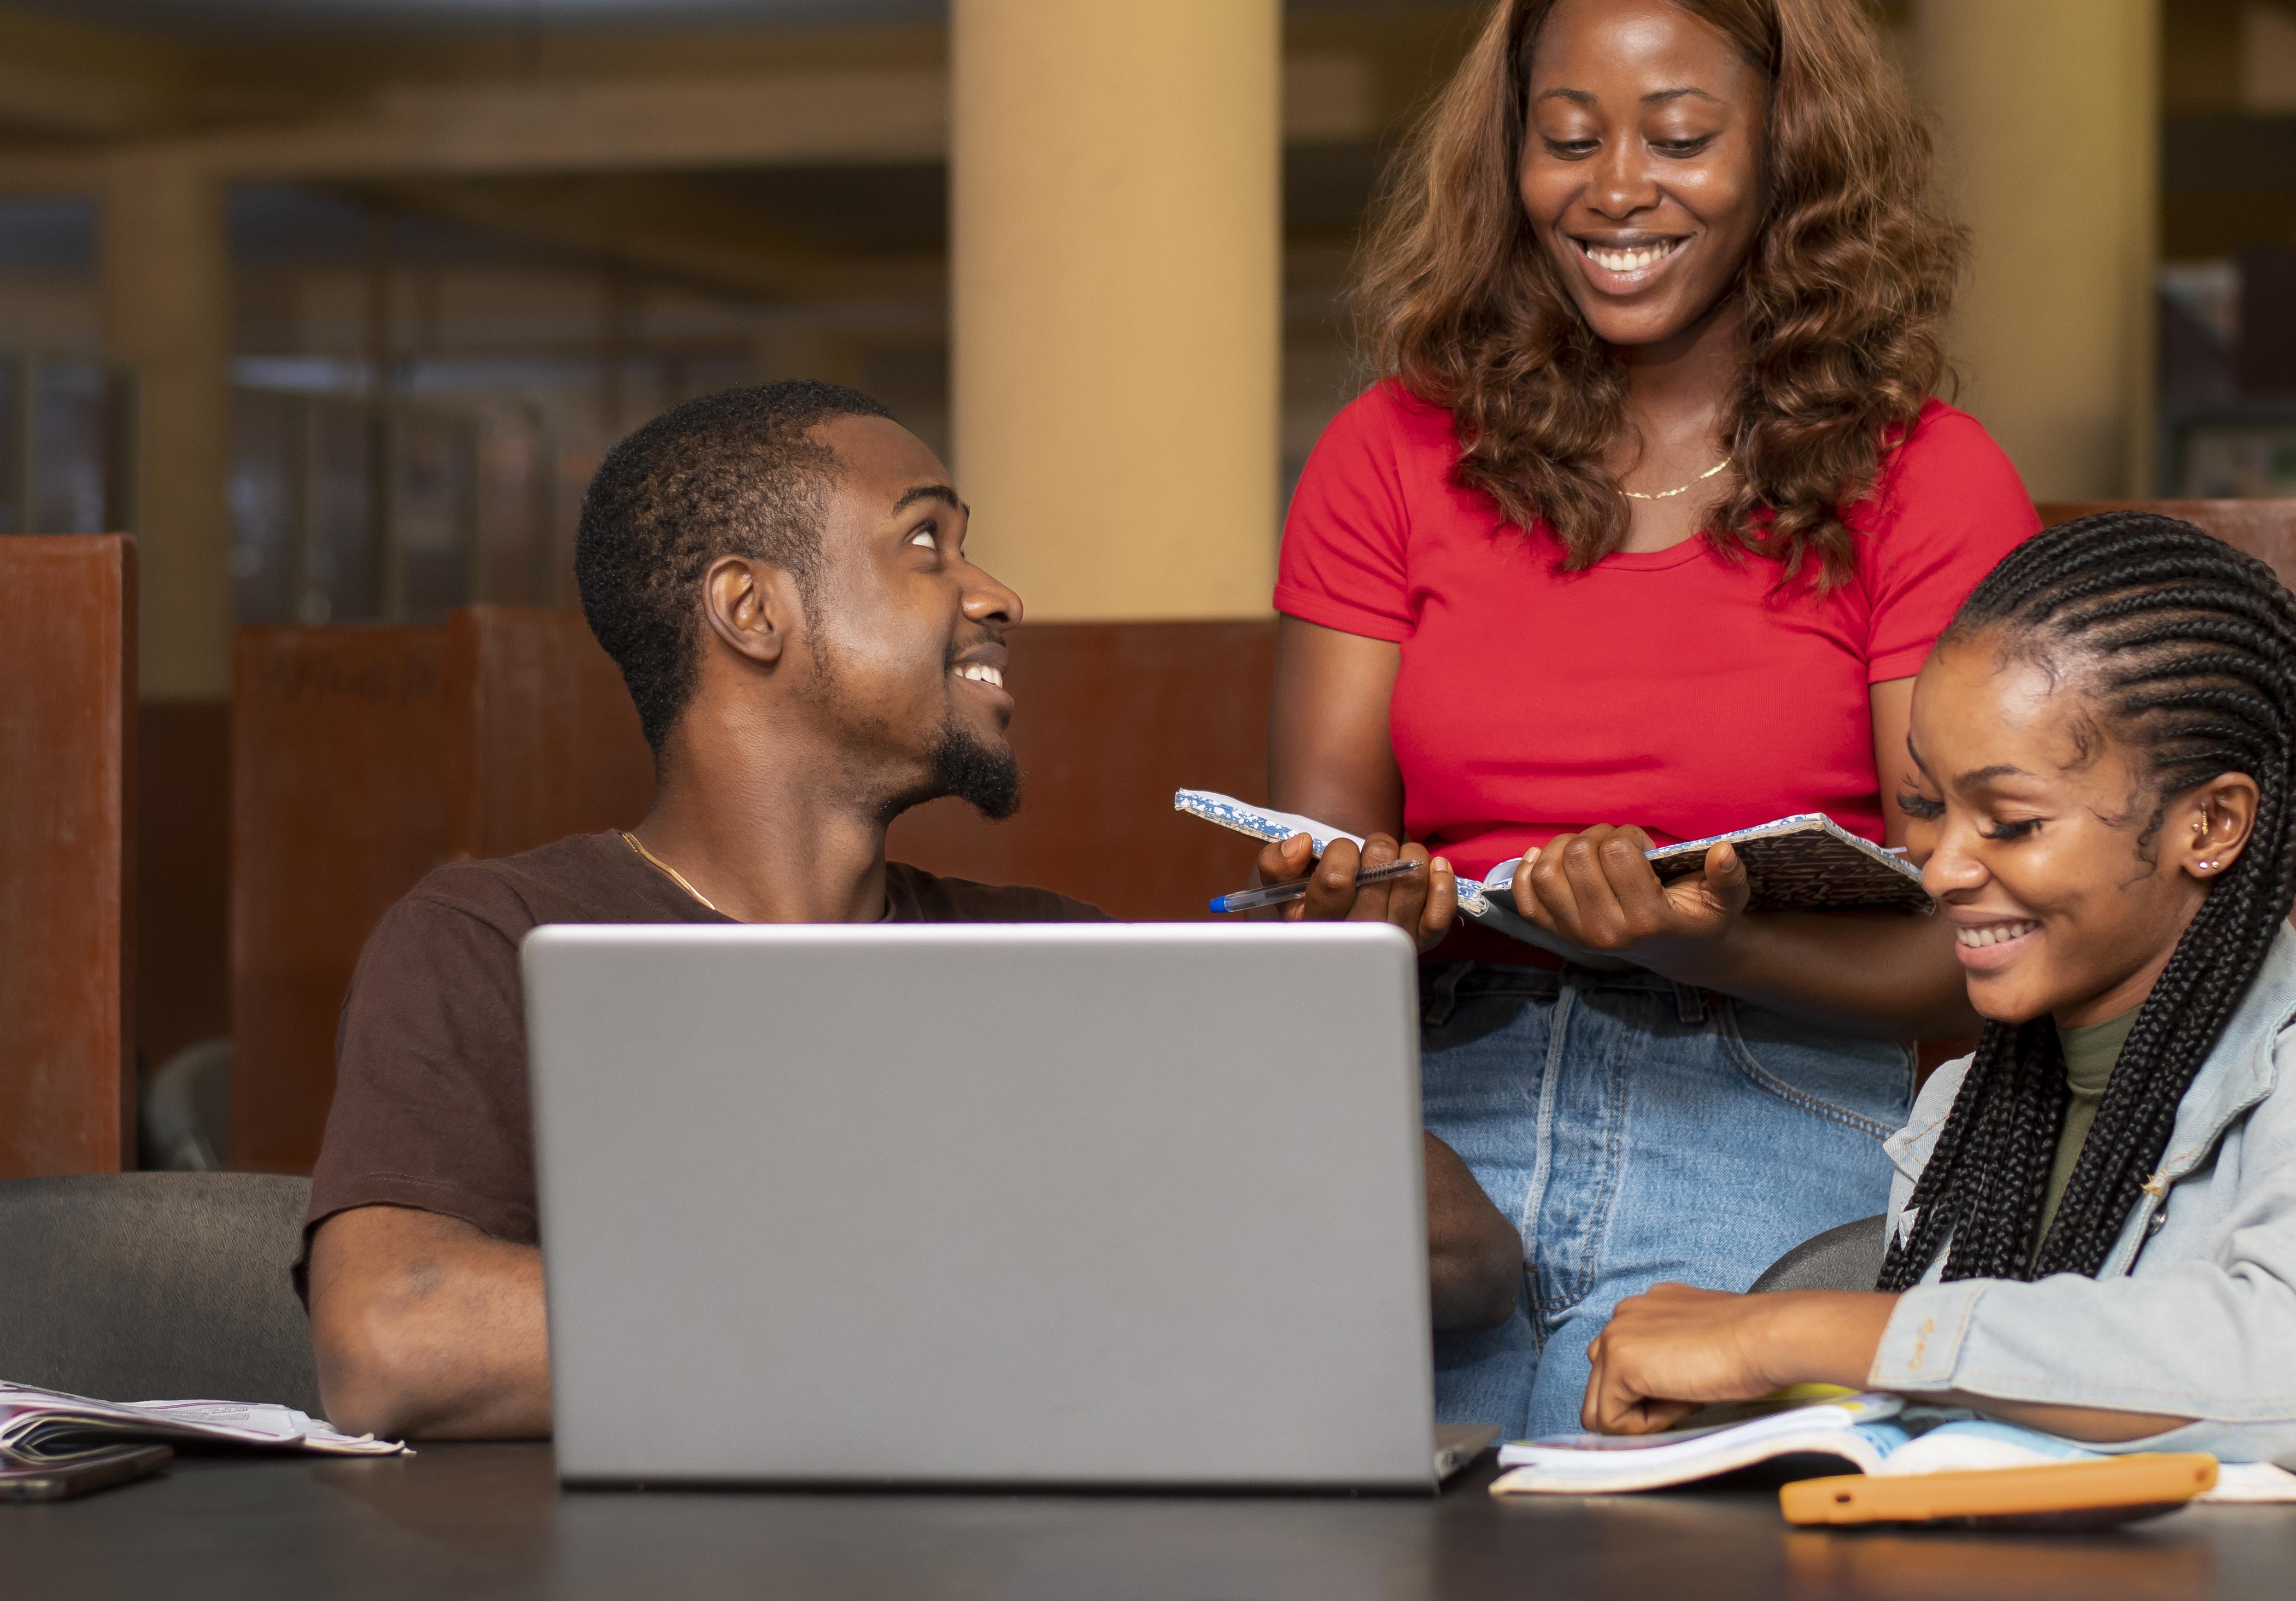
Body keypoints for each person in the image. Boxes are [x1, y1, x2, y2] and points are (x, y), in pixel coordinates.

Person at [304, 383, 1521, 1440]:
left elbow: (1466, 1255)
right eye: (926, 541)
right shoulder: (493, 936)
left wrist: (1278, 1035)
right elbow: (396, 1337)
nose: (998, 595)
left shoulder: (1047, 953)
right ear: (751, 608)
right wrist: (1006, 1296)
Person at [1265, 0, 2042, 1439]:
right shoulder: (1390, 452)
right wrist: (1362, 909)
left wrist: (1686, 941)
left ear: (1784, 155)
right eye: (1568, 139)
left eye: (1680, 137)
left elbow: (1974, 953)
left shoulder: (1927, 477)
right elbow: (1309, 883)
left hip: (1775, 1099)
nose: (1616, 187)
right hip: (1428, 1111)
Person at [1578, 513, 2296, 1485]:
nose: (1945, 867)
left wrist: (1792, 1333)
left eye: (2011, 821)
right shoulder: (1967, 1107)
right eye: (1927, 806)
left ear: (2208, 824)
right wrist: (1755, 1404)